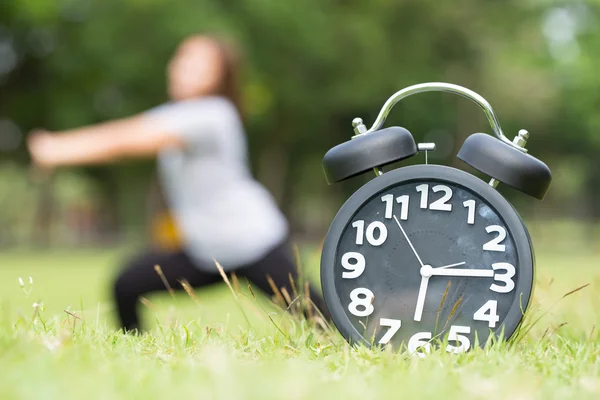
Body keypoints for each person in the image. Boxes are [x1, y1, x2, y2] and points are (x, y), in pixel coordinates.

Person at [27, 34, 329, 332]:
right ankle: (138, 357)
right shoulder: (177, 116)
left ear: (220, 76)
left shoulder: (214, 114)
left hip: (254, 244)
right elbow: (136, 133)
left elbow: (123, 141)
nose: (184, 67)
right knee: (127, 284)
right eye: (182, 58)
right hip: (205, 252)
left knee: (323, 319)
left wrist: (57, 148)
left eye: (201, 63)